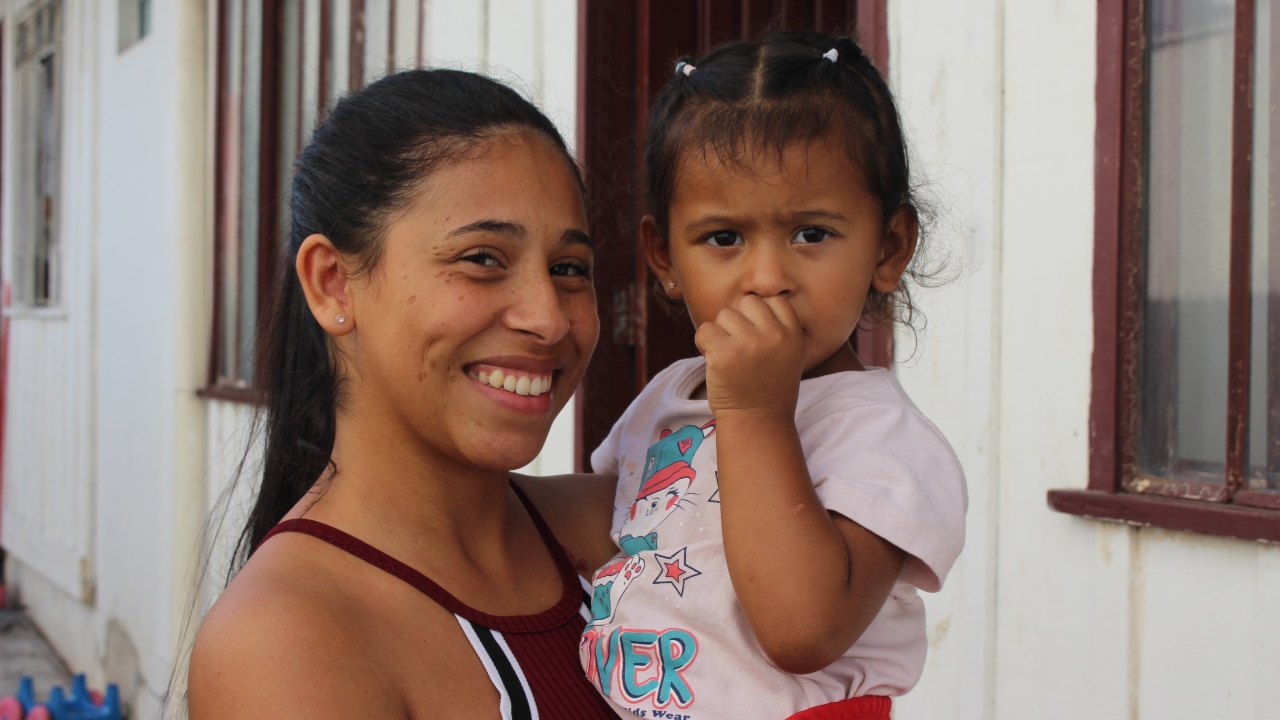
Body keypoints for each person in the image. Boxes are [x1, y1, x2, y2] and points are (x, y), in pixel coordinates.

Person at [187, 69, 620, 719]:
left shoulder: (626, 525)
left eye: (569, 269)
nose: (549, 318)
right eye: (483, 258)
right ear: (333, 284)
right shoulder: (284, 643)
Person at [579, 31, 968, 720]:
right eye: (723, 238)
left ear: (888, 247)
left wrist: (757, 415)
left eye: (811, 234)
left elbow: (802, 630)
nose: (765, 279)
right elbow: (606, 517)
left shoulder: (882, 438)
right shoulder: (670, 394)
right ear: (663, 256)